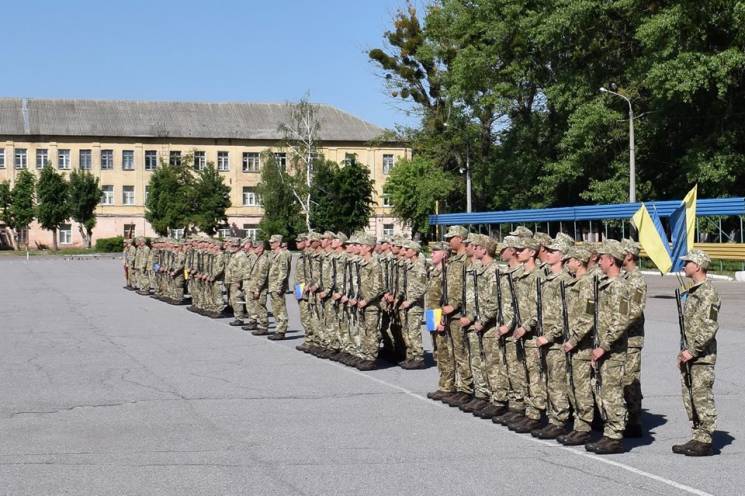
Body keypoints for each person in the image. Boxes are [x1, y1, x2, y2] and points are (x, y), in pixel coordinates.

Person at [584, 240, 632, 455]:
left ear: (611, 260)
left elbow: (620, 320)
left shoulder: (620, 286)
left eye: (602, 257)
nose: (599, 261)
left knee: (612, 393)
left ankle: (615, 437)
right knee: (602, 391)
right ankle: (608, 432)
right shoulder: (605, 284)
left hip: (612, 350)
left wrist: (604, 346)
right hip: (601, 348)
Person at [672, 249, 720, 457]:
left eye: (688, 262)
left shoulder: (708, 293)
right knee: (690, 397)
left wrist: (692, 350)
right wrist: (683, 351)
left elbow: (709, 326)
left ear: (698, 266)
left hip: (701, 356)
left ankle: (706, 439)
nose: (684, 266)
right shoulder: (693, 291)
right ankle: (697, 435)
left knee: (702, 397)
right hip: (689, 354)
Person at [621, 238, 647, 437]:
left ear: (629, 255)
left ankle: (634, 420)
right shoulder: (624, 278)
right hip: (620, 337)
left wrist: (616, 327)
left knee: (630, 380)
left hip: (631, 338)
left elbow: (635, 311)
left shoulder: (637, 280)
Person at [267, 234, 291, 340]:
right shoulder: (273, 254)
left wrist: (279, 286)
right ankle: (278, 329)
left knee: (280, 308)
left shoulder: (282, 255)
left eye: (273, 242)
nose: (270, 244)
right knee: (275, 309)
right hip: (272, 285)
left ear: (278, 243)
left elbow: (283, 272)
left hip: (277, 286)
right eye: (270, 242)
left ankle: (281, 330)